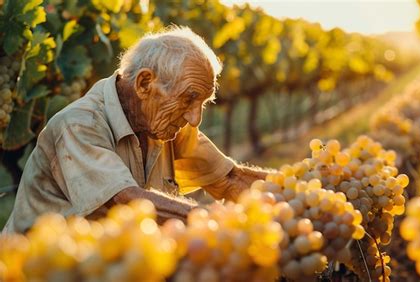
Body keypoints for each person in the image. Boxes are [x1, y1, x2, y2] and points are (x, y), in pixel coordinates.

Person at [3, 26, 267, 233]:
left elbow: (230, 180)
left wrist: (300, 191)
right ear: (144, 84)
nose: (195, 118)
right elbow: (126, 202)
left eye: (203, 104)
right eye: (188, 99)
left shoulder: (167, 123)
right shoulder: (79, 124)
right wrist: (216, 223)